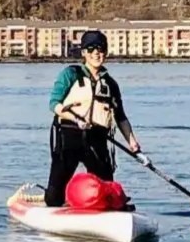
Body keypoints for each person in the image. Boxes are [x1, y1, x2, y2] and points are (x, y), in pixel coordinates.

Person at [46, 29, 140, 207]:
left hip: (97, 138)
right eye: (91, 49)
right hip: (69, 136)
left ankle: (111, 211)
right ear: (84, 53)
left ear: (106, 52)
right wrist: (75, 119)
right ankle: (55, 202)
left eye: (101, 49)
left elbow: (121, 117)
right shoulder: (70, 74)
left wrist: (132, 142)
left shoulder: (111, 84)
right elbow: (54, 104)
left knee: (108, 192)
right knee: (54, 195)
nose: (97, 53)